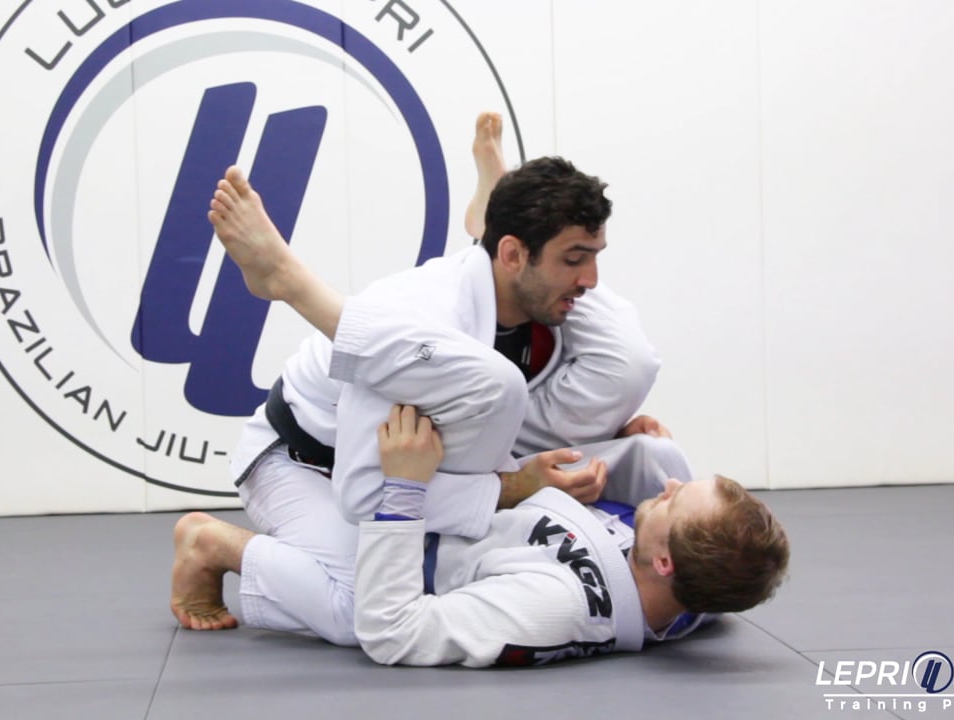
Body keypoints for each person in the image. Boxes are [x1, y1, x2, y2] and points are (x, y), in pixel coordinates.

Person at [171, 114, 671, 643]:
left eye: (594, 257)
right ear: (512, 255)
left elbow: (623, 361)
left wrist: (606, 428)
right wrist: (512, 488)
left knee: (627, 364)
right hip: (309, 463)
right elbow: (365, 494)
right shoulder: (424, 311)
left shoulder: (547, 307)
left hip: (440, 452)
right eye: (574, 259)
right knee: (358, 609)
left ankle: (487, 222)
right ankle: (210, 543)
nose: (591, 281)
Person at [352, 405, 789, 667]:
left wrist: (404, 489)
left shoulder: (556, 607)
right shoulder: (687, 587)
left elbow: (393, 631)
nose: (670, 486)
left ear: (664, 562)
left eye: (675, 502)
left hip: (389, 551)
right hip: (466, 497)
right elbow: (724, 574)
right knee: (660, 452)